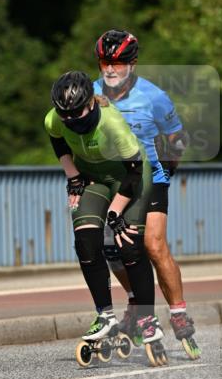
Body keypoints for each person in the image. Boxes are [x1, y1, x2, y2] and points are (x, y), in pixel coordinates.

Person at [92, 29, 199, 356]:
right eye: (104, 62)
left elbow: (178, 139)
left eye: (117, 63)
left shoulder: (154, 96)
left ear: (133, 63)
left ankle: (178, 313)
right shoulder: (92, 92)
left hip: (151, 176)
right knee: (112, 248)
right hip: (115, 181)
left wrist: (168, 170)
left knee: (152, 245)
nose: (109, 69)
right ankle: (137, 301)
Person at [45, 69, 165, 352]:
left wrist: (115, 212)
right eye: (66, 115)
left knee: (129, 245)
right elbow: (58, 142)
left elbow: (136, 171)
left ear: (91, 104)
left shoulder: (112, 124)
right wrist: (73, 176)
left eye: (78, 113)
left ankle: (148, 318)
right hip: (92, 177)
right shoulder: (53, 118)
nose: (72, 120)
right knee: (85, 242)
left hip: (129, 177)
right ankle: (105, 315)